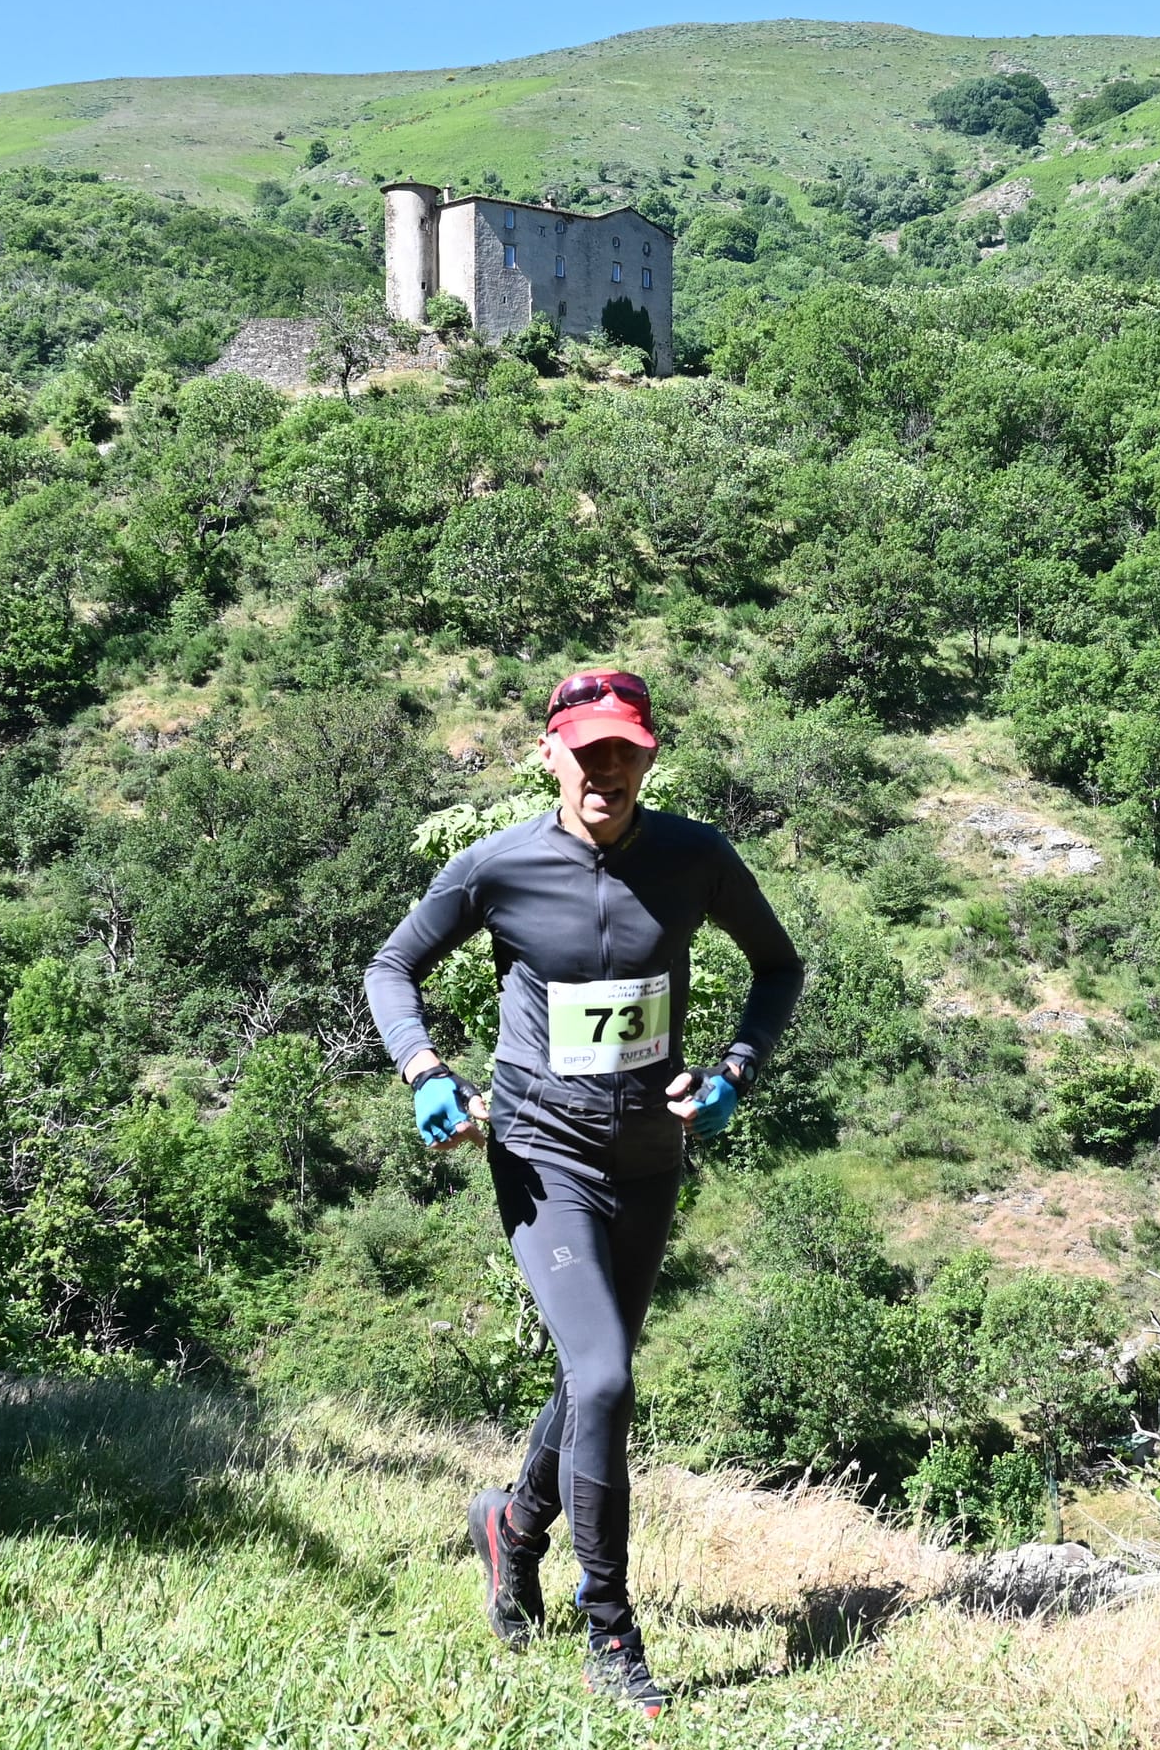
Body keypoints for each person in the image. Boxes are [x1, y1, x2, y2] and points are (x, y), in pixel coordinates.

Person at [364, 667, 804, 1716]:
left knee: (591, 1378)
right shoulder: (499, 864)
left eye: (625, 750)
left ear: (648, 756)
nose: (606, 768)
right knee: (603, 1378)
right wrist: (426, 1071)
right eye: (586, 749)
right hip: (540, 1152)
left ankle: (510, 1529)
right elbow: (391, 968)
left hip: (648, 1157)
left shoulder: (695, 856)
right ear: (549, 754)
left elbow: (777, 968)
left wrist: (735, 1070)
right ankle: (609, 1627)